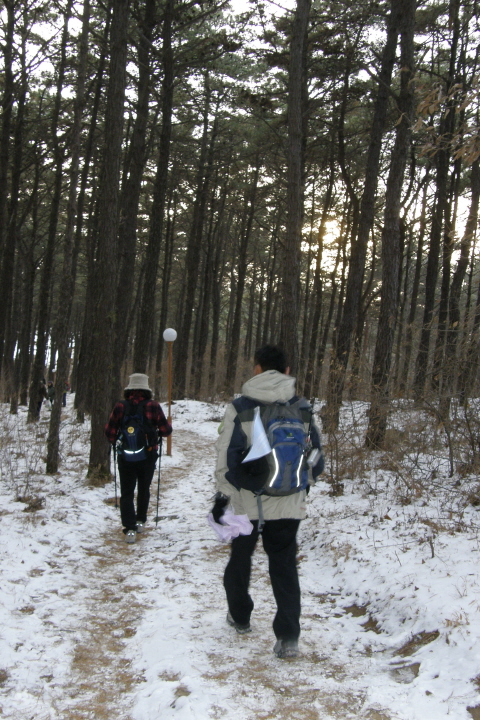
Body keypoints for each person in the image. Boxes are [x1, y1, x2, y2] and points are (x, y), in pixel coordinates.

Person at [213, 344, 324, 658]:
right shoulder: (302, 408)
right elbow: (316, 459)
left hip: (247, 503)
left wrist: (226, 496)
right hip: (289, 502)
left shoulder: (240, 407)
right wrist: (302, 489)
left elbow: (225, 461)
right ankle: (288, 637)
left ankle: (240, 616)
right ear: (287, 371)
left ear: (256, 369)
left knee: (240, 559)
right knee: (285, 566)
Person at [105, 373, 172, 544]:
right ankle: (141, 520)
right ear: (146, 389)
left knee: (127, 491)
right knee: (144, 488)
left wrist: (119, 442)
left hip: (125, 456)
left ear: (129, 389)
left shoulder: (120, 406)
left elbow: (110, 432)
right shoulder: (153, 406)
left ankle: (129, 529)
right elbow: (166, 431)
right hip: (148, 455)